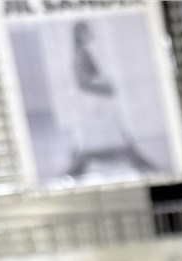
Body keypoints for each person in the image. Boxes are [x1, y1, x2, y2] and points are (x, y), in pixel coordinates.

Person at [65, 21, 156, 177]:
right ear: (79, 35)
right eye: (86, 31)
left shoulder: (83, 52)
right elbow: (83, 83)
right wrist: (106, 87)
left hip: (97, 101)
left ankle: (144, 166)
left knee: (102, 141)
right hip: (95, 103)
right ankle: (146, 167)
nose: (89, 34)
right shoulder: (81, 55)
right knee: (96, 143)